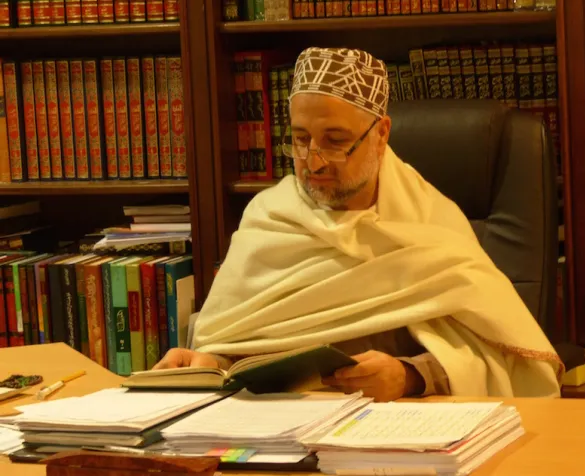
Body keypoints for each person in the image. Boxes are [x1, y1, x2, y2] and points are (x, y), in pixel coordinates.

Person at [155, 47, 564, 401]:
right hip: (280, 433)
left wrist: (411, 376)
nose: (313, 162)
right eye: (300, 139)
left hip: (399, 430)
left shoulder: (432, 222)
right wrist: (207, 361)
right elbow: (235, 342)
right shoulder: (267, 218)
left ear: (381, 134)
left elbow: (502, 356)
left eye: (335, 141)